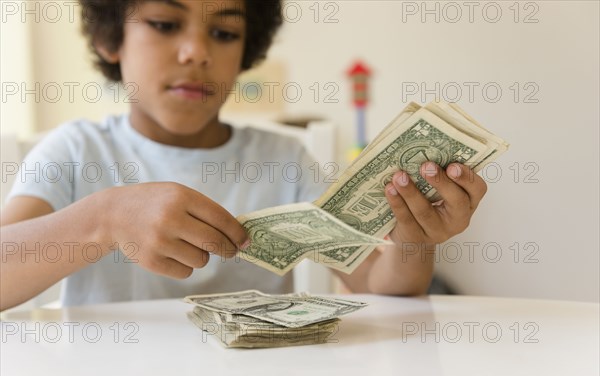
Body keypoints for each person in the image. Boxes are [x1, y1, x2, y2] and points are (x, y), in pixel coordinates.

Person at [0, 0, 487, 311]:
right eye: (166, 23)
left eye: (225, 33)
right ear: (111, 39)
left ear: (247, 50)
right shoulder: (74, 150)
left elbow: (383, 285)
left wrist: (414, 240)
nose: (196, 52)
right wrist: (102, 217)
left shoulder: (284, 158)